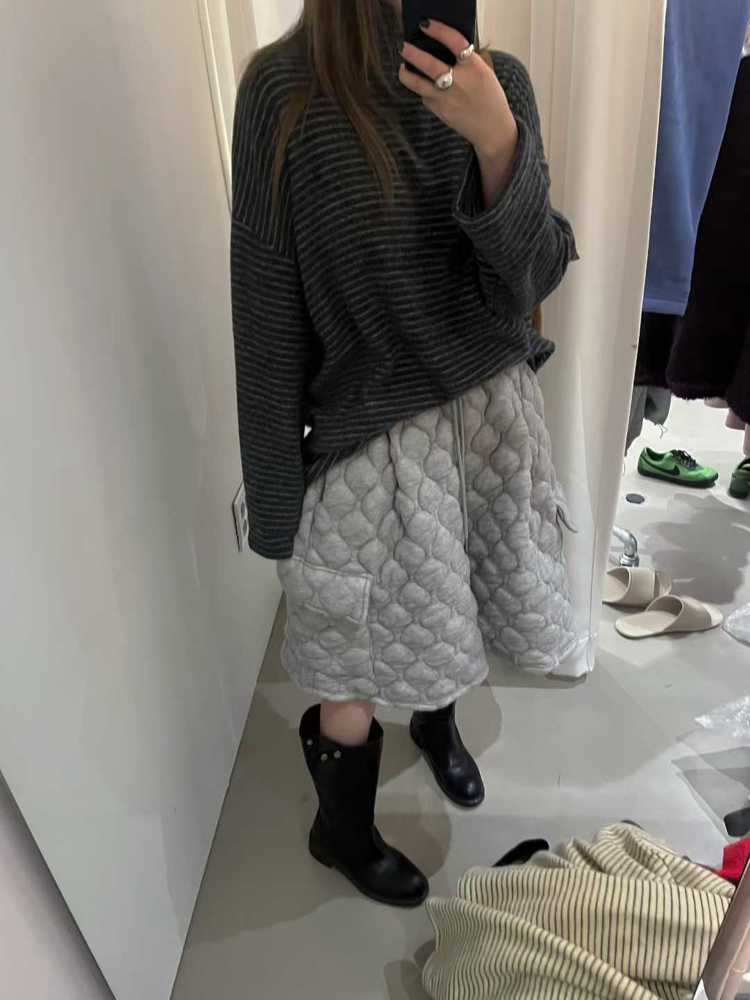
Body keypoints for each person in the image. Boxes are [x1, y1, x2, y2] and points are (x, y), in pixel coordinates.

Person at [231, 0, 577, 908]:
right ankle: (340, 830)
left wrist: (499, 144)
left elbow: (532, 280)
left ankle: (437, 723)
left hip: (491, 418)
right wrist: (277, 506)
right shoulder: (285, 92)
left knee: (456, 606)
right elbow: (265, 307)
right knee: (347, 665)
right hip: (368, 434)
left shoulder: (498, 83)